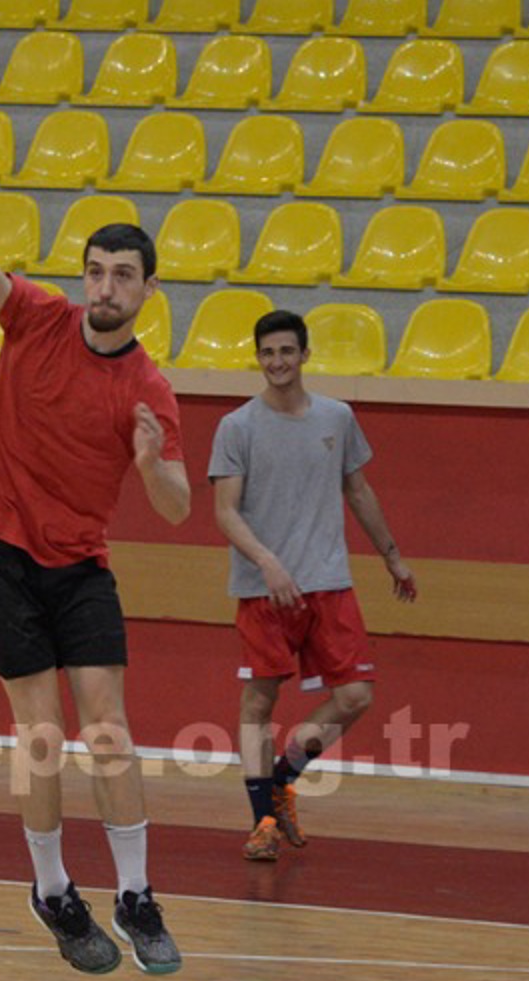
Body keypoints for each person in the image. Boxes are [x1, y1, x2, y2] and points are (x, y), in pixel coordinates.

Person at [0, 173, 188, 976]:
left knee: (109, 728)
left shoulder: (149, 390)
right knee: (42, 732)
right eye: (96, 271)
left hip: (79, 563)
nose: (106, 287)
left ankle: (136, 896)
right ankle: (52, 891)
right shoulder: (38, 318)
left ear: (149, 290)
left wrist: (151, 464)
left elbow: (178, 506)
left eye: (123, 275)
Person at [209, 310, 417, 862]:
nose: (276, 361)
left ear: (304, 355)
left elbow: (359, 490)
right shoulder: (237, 426)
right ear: (258, 358)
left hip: (327, 581)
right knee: (259, 702)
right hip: (263, 589)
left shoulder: (337, 417)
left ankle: (283, 778)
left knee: (355, 696)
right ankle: (262, 822)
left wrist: (392, 557)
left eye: (286, 351)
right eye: (267, 353)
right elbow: (225, 511)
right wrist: (267, 562)